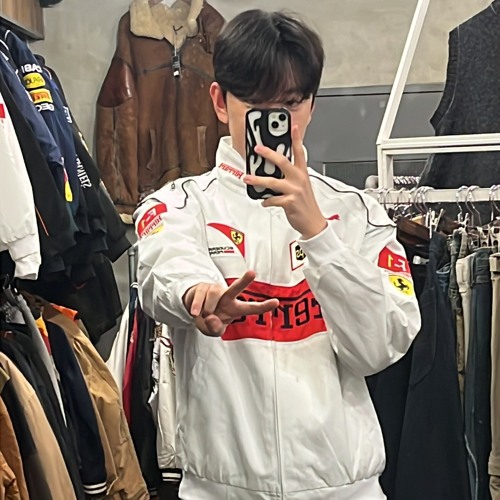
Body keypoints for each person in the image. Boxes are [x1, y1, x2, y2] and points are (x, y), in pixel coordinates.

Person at [135, 9, 421, 500]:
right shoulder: (179, 205)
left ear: (311, 105)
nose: (277, 120)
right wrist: (198, 295)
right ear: (220, 102)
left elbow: (379, 349)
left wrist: (318, 233)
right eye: (256, 103)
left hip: (344, 489)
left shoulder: (360, 214)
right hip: (219, 490)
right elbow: (165, 267)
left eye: (290, 103)